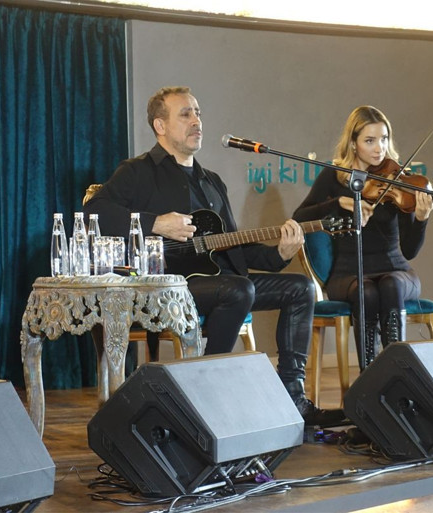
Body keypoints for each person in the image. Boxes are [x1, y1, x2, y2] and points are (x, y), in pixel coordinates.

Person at [84, 86, 343, 426]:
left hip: (220, 283)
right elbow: (96, 212)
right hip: (166, 286)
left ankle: (293, 399)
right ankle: (203, 391)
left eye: (198, 113)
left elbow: (232, 246)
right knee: (238, 289)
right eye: (186, 114)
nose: (197, 121)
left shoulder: (212, 182)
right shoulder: (137, 171)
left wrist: (279, 253)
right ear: (160, 126)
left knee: (300, 288)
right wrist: (156, 223)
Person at [292, 106, 433, 368]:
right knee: (366, 292)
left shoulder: (398, 180)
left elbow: (410, 251)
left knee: (390, 284)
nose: (379, 148)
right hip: (348, 274)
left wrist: (422, 220)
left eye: (384, 139)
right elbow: (299, 217)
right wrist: (337, 203)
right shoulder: (334, 178)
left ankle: (396, 370)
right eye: (370, 140)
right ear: (353, 144)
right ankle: (369, 374)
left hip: (396, 270)